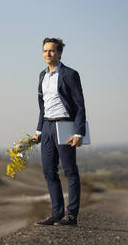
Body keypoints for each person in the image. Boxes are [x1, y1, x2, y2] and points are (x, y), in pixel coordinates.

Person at [32, 38, 86, 226]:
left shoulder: (70, 74)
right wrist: (38, 129)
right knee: (48, 171)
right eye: (45, 51)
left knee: (70, 171)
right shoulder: (42, 75)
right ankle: (56, 214)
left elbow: (79, 105)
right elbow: (42, 106)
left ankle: (71, 216)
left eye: (52, 51)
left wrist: (79, 133)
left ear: (60, 53)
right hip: (46, 127)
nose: (48, 54)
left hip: (64, 126)